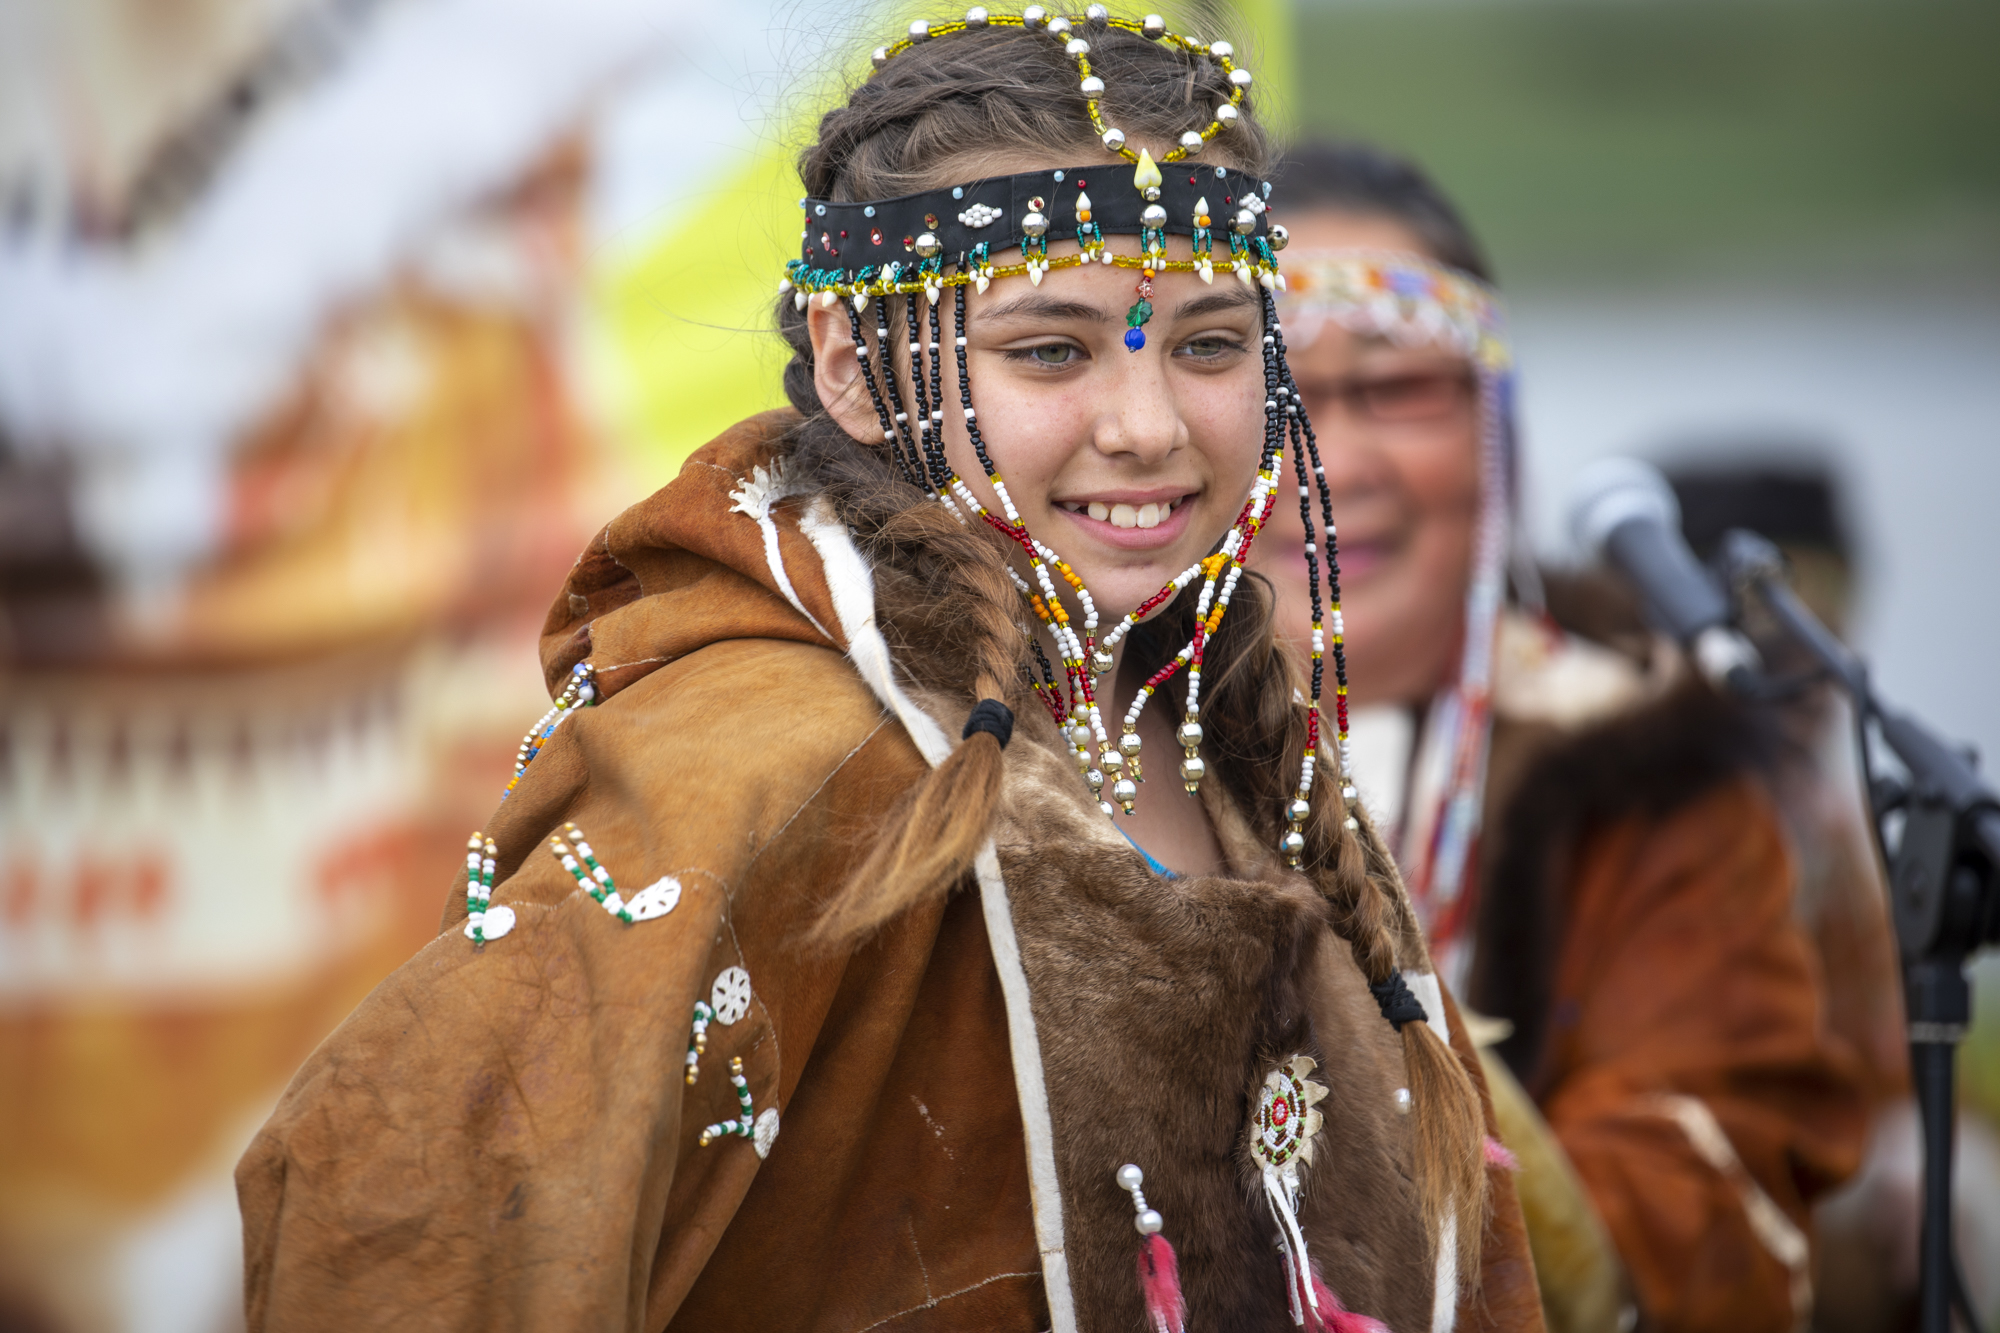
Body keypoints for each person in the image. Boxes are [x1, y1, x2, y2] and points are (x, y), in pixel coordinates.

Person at [234, 19, 1545, 1333]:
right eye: (1051, 350)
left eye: (1208, 344)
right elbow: (387, 1206)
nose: (1148, 426)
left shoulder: (1238, 734)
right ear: (857, 367)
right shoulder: (766, 758)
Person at [1251, 141, 1871, 1333]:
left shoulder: (1648, 765)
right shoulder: (1059, 759)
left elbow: (1709, 1225)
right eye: (1270, 393)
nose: (1330, 463)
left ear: (1494, 434)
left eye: (1396, 389)